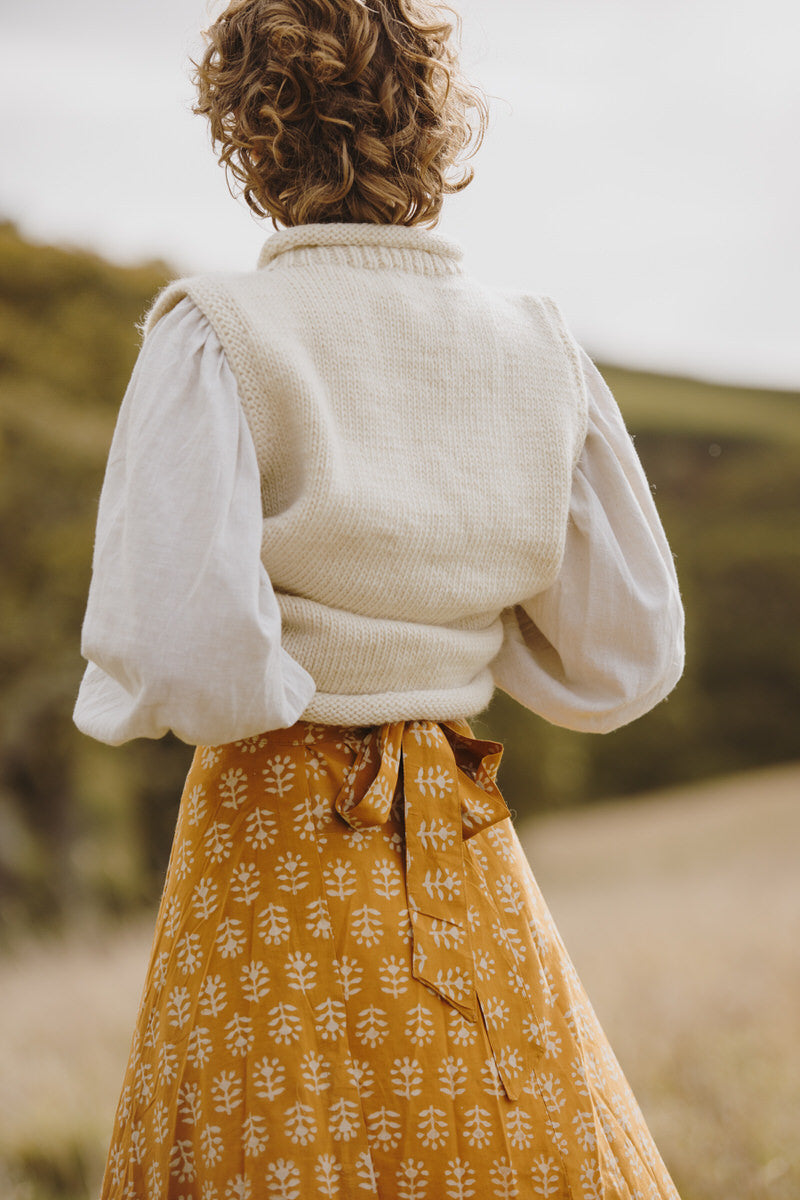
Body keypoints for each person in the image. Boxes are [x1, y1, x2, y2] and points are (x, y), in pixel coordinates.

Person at [73, 1, 685, 1196]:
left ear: (247, 135)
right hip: (459, 826)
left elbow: (185, 648)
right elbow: (623, 655)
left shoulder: (216, 333)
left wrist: (309, 679)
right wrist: (441, 645)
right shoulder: (535, 345)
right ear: (434, 125)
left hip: (266, 828)